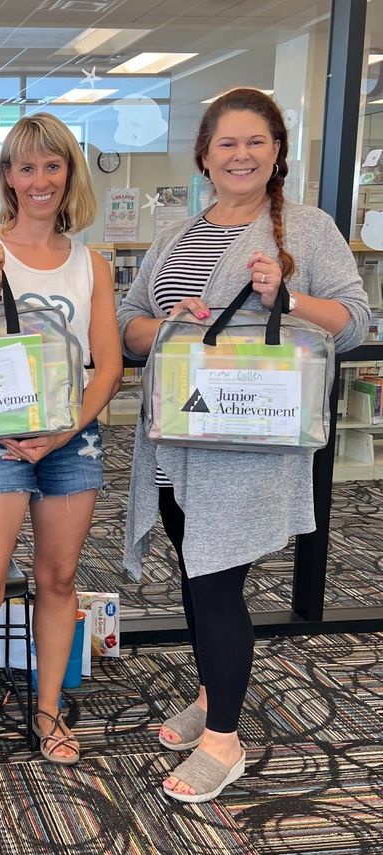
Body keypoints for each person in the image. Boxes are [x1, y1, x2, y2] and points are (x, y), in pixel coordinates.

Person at [117, 88, 369, 803]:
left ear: (278, 153)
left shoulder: (307, 229)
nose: (241, 155)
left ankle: (225, 742)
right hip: (173, 440)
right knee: (195, 573)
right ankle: (209, 692)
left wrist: (284, 298)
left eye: (256, 142)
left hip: (244, 442)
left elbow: (352, 321)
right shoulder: (178, 234)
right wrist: (167, 320)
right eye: (226, 143)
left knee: (215, 581)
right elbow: (131, 323)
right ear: (204, 155)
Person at [0, 113, 122, 796]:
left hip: (71, 440)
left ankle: (47, 714)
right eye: (24, 167)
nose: (38, 180)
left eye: (51, 166)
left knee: (58, 581)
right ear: (7, 178)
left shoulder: (91, 262)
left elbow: (106, 365)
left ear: (68, 173)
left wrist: (67, 430)